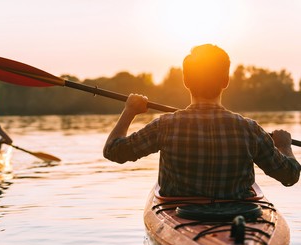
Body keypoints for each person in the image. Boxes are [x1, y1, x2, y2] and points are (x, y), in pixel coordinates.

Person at [103, 44, 300, 199]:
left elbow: (113, 151)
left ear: (185, 80)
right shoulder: (250, 130)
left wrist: (130, 111)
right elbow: (290, 176)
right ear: (226, 81)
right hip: (237, 218)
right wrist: (284, 146)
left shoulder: (165, 126)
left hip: (183, 217)